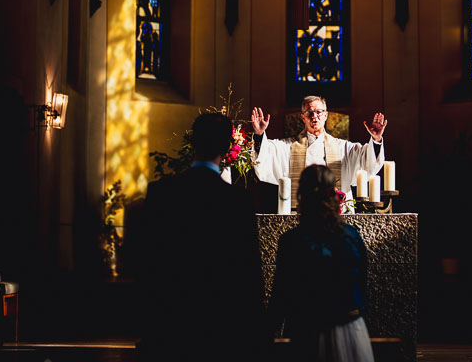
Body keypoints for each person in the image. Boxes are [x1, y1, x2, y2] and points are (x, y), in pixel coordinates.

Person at [134, 111, 266, 361]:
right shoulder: (237, 202)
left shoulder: (161, 193)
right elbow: (248, 271)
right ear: (228, 147)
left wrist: (146, 322)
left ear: (193, 142)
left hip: (169, 318)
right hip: (220, 321)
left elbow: (144, 258)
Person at [268, 165, 375, 362]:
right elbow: (361, 285)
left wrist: (267, 336)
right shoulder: (351, 236)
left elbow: (281, 296)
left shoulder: (291, 241)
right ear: (334, 195)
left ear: (301, 196)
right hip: (350, 328)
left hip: (306, 330)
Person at [251, 96, 385, 208]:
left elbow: (367, 161)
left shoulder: (343, 148)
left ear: (326, 115)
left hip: (337, 216)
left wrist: (376, 139)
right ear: (303, 117)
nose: (315, 116)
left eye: (319, 112)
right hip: (302, 214)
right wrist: (259, 134)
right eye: (310, 113)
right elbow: (265, 155)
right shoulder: (288, 147)